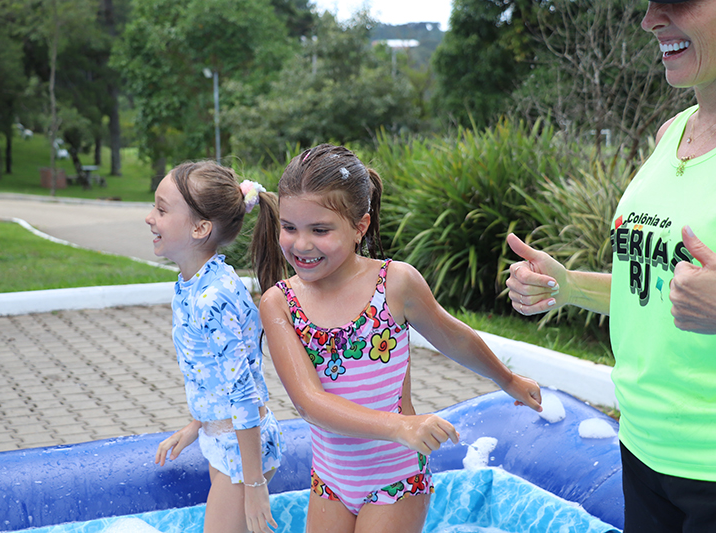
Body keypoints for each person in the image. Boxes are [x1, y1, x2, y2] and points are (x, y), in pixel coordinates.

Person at [252, 144, 543, 533]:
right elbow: (309, 402)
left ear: (360, 226)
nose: (301, 244)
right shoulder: (280, 303)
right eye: (290, 228)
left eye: (320, 230)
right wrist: (401, 426)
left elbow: (452, 337)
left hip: (396, 475)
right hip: (331, 480)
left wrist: (507, 380)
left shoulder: (394, 283)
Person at [504, 1, 716, 531]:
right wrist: (568, 285)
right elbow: (649, 283)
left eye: (677, 2)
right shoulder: (673, 133)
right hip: (643, 448)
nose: (650, 20)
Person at [147, 161, 285, 533]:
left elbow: (243, 392)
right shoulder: (193, 284)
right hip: (223, 437)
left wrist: (254, 484)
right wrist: (197, 424)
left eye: (162, 210)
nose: (150, 218)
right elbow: (215, 374)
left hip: (240, 447)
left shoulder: (215, 297)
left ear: (200, 228)